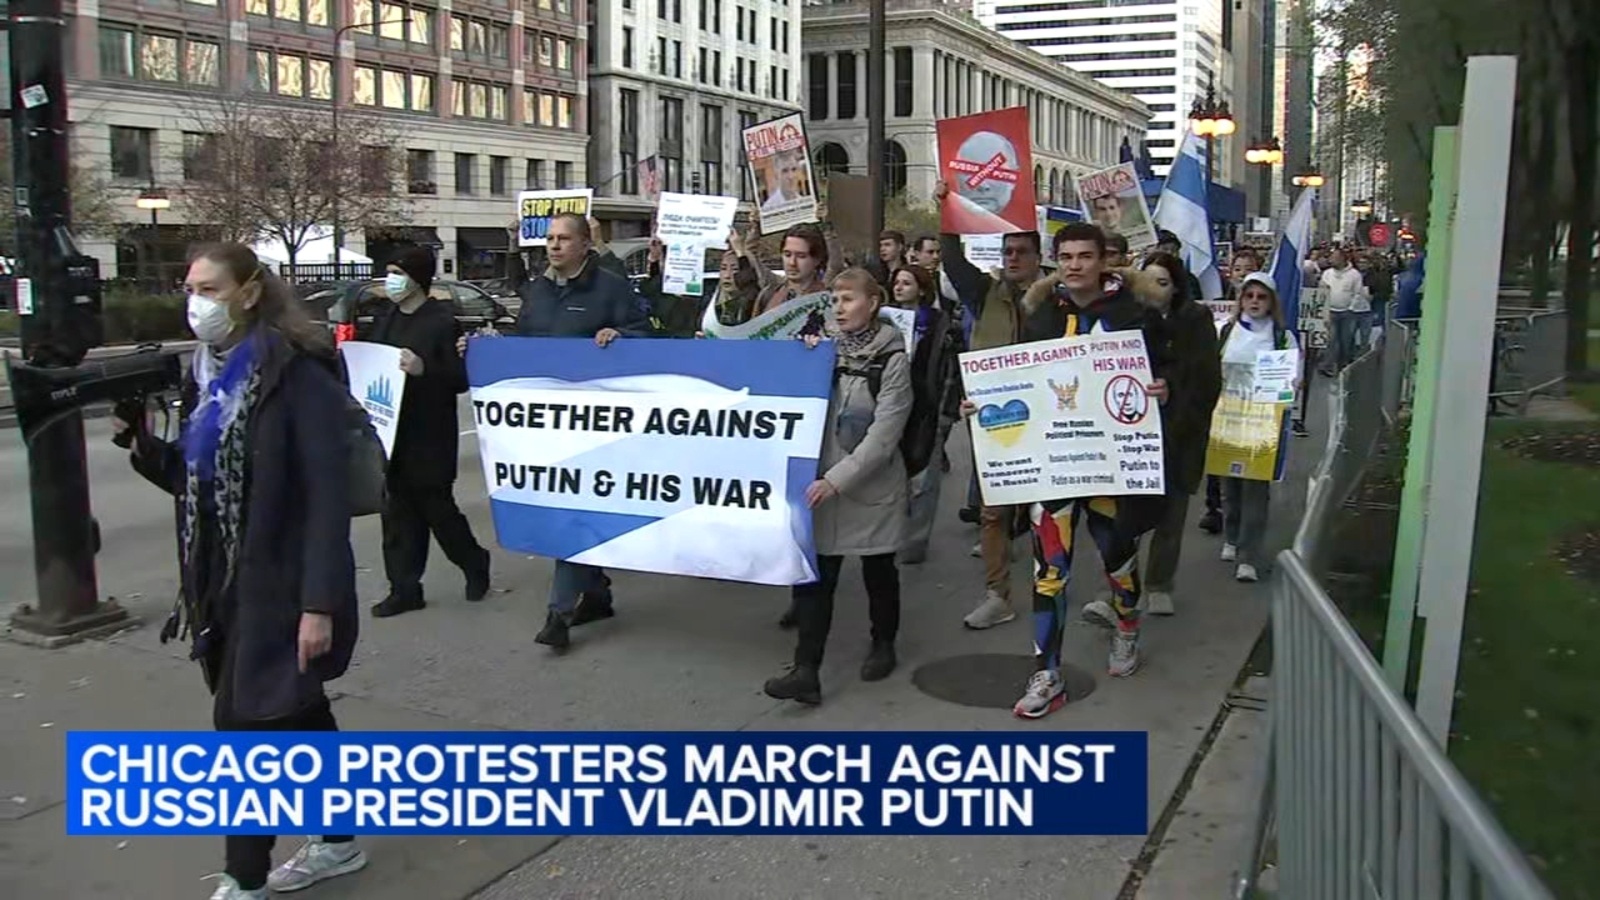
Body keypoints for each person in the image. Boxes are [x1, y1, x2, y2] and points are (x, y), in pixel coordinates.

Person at [114, 243, 364, 899]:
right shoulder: (210, 376)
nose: (196, 302)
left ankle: (243, 876)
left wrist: (319, 605)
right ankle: (338, 839)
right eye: (190, 286)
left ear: (250, 293)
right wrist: (144, 446)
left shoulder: (299, 377)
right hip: (219, 583)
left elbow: (325, 499)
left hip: (279, 588)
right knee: (300, 713)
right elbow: (198, 482)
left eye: (210, 289)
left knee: (244, 731)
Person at [973, 222, 1170, 716]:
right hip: (1054, 467)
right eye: (1067, 256)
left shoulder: (1138, 313)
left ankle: (1127, 626)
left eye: (1085, 255)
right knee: (1048, 572)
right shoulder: (1039, 312)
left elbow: (1173, 373)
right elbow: (1016, 375)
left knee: (1117, 558)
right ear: (1056, 260)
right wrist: (981, 404)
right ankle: (1047, 673)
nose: (1075, 265)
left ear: (1103, 259)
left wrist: (1163, 391)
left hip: (1110, 467)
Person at [462, 212, 652, 650]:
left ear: (585, 244)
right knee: (562, 509)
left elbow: (647, 334)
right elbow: (526, 343)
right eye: (549, 239)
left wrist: (620, 335)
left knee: (572, 511)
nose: (554, 246)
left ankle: (558, 613)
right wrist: (487, 349)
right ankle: (597, 590)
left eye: (564, 239)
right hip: (547, 424)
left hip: (596, 425)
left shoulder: (611, 287)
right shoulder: (539, 290)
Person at [764, 268, 913, 705]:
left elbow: (885, 435)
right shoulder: (820, 348)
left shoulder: (893, 359)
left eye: (848, 299)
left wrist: (837, 479)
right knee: (816, 579)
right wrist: (803, 358)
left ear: (873, 303)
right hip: (821, 486)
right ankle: (806, 670)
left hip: (869, 486)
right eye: (834, 300)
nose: (838, 308)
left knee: (878, 571)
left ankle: (883, 642)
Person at [933, 178, 1050, 630]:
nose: (1013, 259)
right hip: (994, 418)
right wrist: (947, 211)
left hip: (1047, 419)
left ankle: (1051, 580)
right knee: (993, 510)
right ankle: (997, 594)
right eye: (1008, 252)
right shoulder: (986, 293)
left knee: (1046, 510)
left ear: (1039, 257)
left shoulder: (1057, 298)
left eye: (1022, 251)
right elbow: (953, 260)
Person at [1084, 251, 1219, 620]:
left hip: (1178, 434)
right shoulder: (1128, 318)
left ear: (1176, 288)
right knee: (1121, 517)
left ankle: (1160, 584)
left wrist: (1171, 389)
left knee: (1171, 516)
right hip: (1131, 435)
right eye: (1148, 280)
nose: (1153, 289)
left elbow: (1206, 378)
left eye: (1162, 282)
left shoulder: (1195, 320)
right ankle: (1111, 588)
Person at [364, 245, 491, 618]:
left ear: (416, 278)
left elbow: (458, 380)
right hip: (392, 432)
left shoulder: (441, 321)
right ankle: (404, 588)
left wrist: (423, 370)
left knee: (438, 510)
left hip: (429, 433)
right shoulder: (386, 318)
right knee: (397, 515)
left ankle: (473, 561)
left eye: (396, 272)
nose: (390, 281)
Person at [1219, 272, 1300, 582]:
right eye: (1249, 296)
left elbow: (1293, 376)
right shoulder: (1226, 331)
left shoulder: (1282, 336)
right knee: (1231, 484)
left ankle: (1249, 555)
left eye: (1261, 297)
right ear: (1241, 300)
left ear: (1271, 302)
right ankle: (1232, 534)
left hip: (1263, 421)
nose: (1254, 302)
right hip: (1228, 419)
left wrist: (1290, 383)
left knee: (1255, 488)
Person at [888, 264, 963, 565]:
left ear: (921, 288)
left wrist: (946, 412)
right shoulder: (885, 319)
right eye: (897, 282)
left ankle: (914, 542)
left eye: (907, 283)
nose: (899, 287)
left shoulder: (939, 325)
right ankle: (889, 534)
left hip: (926, 408)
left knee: (923, 478)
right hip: (892, 405)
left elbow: (948, 372)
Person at [1320, 245, 1367, 371]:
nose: (1331, 260)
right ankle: (1328, 366)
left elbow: (1358, 293)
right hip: (1331, 311)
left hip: (1348, 313)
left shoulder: (1354, 275)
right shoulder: (1327, 274)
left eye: (1334, 257)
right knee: (1331, 341)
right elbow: (1322, 292)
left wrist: (1351, 308)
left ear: (1343, 259)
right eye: (1331, 257)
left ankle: (1344, 366)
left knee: (1346, 341)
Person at [760, 149, 811, 215]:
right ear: (776, 176)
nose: (791, 176)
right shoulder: (769, 208)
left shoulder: (804, 203)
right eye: (784, 171)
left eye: (794, 169)